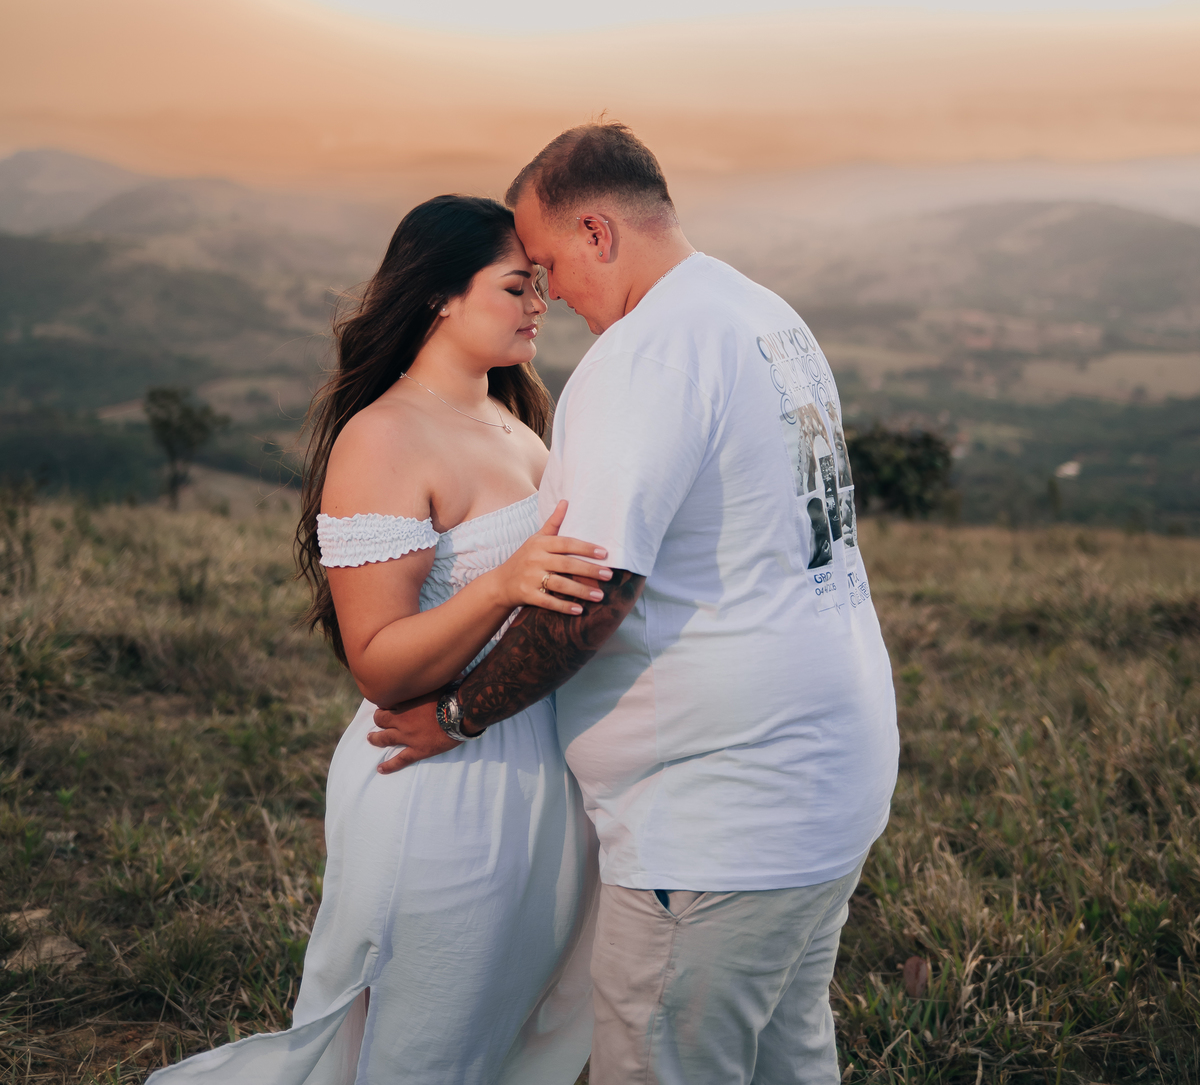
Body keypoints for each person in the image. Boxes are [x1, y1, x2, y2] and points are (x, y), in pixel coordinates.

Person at [371, 124, 899, 1085]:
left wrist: (456, 716)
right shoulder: (760, 312)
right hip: (824, 776)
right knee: (787, 1058)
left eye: (549, 263)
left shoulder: (646, 358)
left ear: (599, 232)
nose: (550, 293)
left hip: (718, 816)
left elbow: (591, 594)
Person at [149, 194, 606, 1085]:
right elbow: (379, 663)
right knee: (427, 1038)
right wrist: (502, 585)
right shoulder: (384, 439)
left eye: (540, 285)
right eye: (516, 286)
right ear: (440, 295)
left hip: (537, 768)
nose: (539, 303)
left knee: (513, 1031)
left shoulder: (513, 417)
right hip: (439, 786)